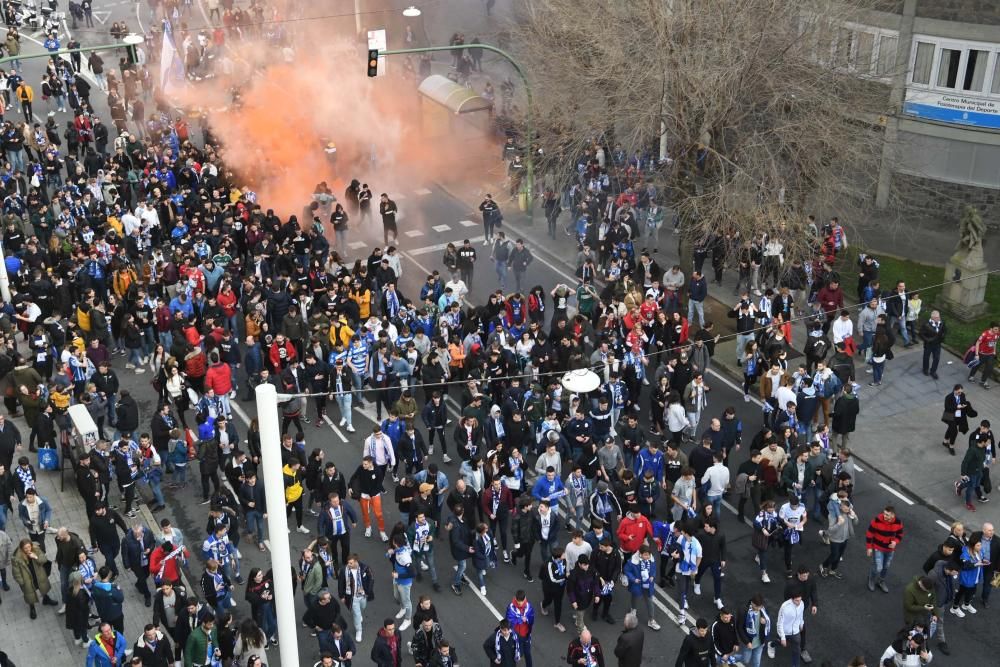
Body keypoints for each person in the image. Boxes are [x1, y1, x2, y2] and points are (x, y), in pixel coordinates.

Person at [11, 537, 57, 619]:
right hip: (27, 579)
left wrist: (36, 557)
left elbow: (44, 559)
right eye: (25, 548)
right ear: (22, 548)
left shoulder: (36, 549)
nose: (28, 549)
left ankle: (46, 599)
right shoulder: (17, 558)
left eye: (29, 547)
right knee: (30, 593)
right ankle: (32, 608)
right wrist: (21, 581)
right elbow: (16, 572)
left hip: (38, 574)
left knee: (42, 587)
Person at [866, 505, 904, 593]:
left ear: (893, 515)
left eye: (887, 515)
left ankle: (881, 581)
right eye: (884, 513)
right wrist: (869, 548)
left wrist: (895, 542)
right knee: (878, 567)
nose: (884, 516)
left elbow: (900, 535)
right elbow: (869, 533)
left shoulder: (898, 522)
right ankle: (871, 579)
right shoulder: (877, 520)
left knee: (886, 566)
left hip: (890, 549)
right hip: (878, 547)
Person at [736, 594, 771, 667]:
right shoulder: (743, 611)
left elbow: (768, 623)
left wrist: (765, 622)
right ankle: (732, 658)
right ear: (752, 603)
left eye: (760, 606)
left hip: (760, 642)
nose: (758, 608)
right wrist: (747, 642)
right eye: (756, 606)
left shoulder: (763, 609)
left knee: (757, 663)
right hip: (749, 642)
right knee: (745, 660)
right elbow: (739, 628)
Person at [506, 589, 535, 667]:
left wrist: (527, 619)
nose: (519, 604)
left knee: (528, 654)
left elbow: (531, 618)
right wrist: (519, 619)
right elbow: (509, 620)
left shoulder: (529, 607)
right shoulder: (511, 607)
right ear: (515, 598)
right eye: (518, 602)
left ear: (524, 599)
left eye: (521, 602)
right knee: (519, 654)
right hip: (516, 635)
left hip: (526, 635)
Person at [775, 591, 806, 667]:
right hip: (785, 632)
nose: (799, 602)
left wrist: (801, 623)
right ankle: (772, 645)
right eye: (797, 600)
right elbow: (780, 623)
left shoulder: (801, 603)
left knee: (797, 650)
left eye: (800, 600)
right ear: (792, 599)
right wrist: (782, 638)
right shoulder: (784, 607)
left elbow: (801, 614)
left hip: (795, 632)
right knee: (780, 643)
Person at [968, 322, 999, 389]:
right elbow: (977, 343)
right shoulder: (984, 334)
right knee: (977, 365)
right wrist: (976, 354)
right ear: (991, 328)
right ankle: (971, 376)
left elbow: (995, 342)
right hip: (982, 354)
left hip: (990, 354)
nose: (997, 331)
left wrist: (994, 351)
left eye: (998, 329)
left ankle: (983, 381)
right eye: (996, 329)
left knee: (989, 368)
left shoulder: (997, 334)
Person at [919, 310, 946, 379]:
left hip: (937, 344)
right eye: (937, 317)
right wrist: (927, 340)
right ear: (932, 318)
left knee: (937, 358)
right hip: (929, 344)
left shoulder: (942, 323)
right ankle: (925, 369)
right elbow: (921, 334)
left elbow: (944, 330)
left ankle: (933, 371)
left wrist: (942, 336)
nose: (939, 318)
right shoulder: (926, 325)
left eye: (939, 317)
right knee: (926, 357)